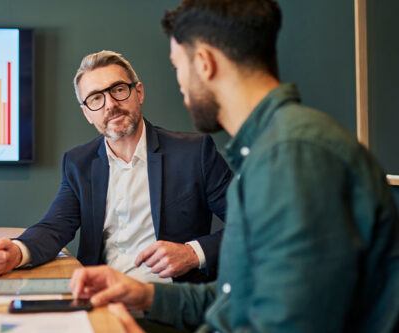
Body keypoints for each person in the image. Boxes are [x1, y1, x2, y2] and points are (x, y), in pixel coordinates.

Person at [69, 1, 399, 332]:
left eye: (176, 68)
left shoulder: (292, 155)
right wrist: (145, 295)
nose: (180, 85)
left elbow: (285, 325)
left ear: (204, 63)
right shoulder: (270, 149)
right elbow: (240, 298)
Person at [0, 50, 232, 284]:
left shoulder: (194, 153)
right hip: (101, 297)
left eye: (118, 90)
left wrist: (191, 253)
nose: (110, 104)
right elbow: (55, 227)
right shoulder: (79, 163)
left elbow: (251, 223)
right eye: (96, 98)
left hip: (171, 302)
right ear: (87, 114)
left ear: (139, 92)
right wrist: (17, 252)